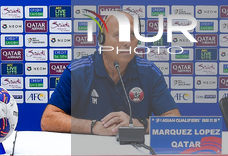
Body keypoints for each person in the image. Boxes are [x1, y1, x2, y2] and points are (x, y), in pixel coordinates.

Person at [41, 11, 180, 135]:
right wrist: (93, 127)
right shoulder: (78, 72)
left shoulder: (150, 72)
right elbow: (48, 119)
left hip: (135, 155)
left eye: (132, 35)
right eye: (118, 35)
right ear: (102, 40)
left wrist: (137, 124)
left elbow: (175, 121)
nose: (127, 42)